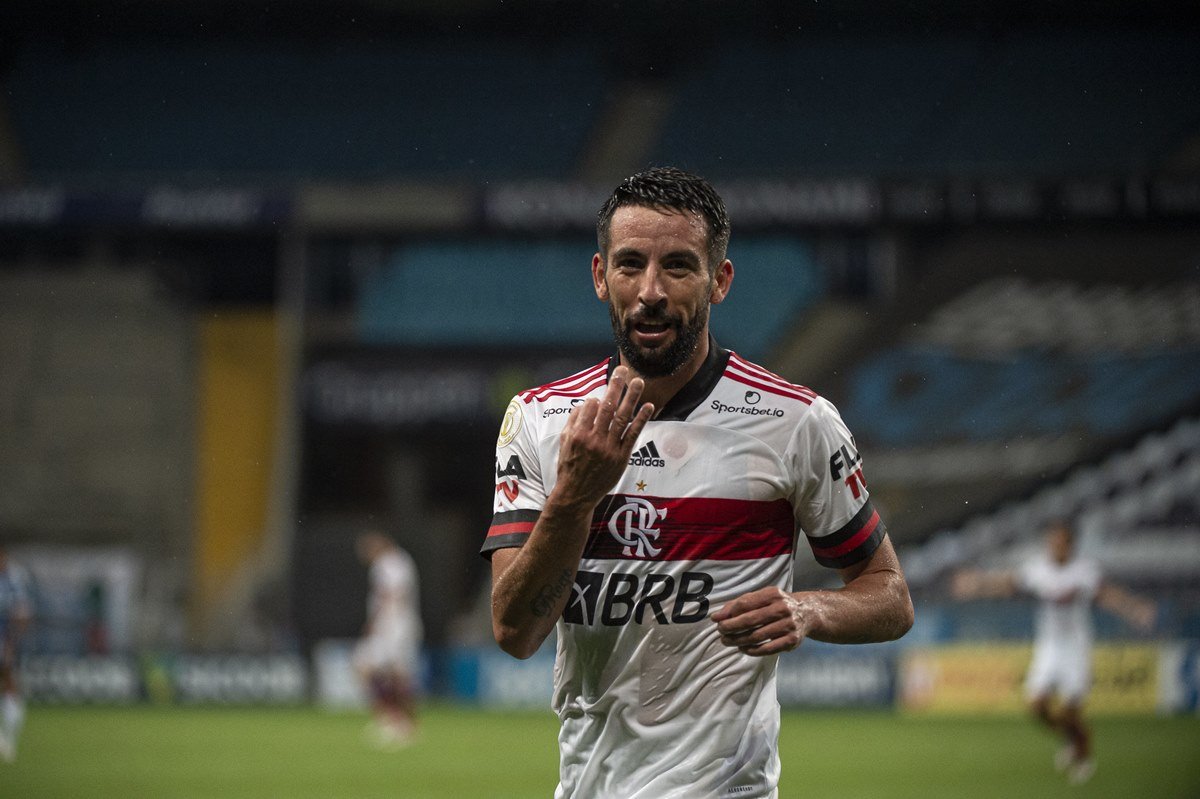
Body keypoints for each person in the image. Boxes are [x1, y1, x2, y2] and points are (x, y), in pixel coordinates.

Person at [482, 167, 914, 798]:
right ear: (601, 277)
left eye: (679, 266)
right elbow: (514, 632)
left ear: (720, 281)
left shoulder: (797, 423)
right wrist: (576, 497)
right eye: (630, 265)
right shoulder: (541, 421)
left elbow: (890, 597)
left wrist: (809, 609)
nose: (650, 291)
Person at [952, 519, 1157, 785]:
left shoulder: (1084, 571)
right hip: (1049, 646)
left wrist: (1134, 609)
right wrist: (976, 584)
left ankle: (1083, 753)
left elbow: (1107, 595)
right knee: (1036, 707)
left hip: (1075, 646)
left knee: (1071, 712)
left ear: (1070, 545)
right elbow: (1008, 582)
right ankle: (1073, 739)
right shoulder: (1039, 569)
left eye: (1059, 542)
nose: (1054, 547)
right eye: (1051, 542)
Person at [353, 530, 422, 750]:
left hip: (393, 625)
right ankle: (398, 721)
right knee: (387, 673)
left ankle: (398, 721)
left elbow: (391, 594)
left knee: (378, 670)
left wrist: (377, 622)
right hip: (397, 624)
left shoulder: (388, 563)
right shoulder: (402, 560)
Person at [0, 545, 33, 763]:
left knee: (9, 682)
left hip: (5, 638)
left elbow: (22, 614)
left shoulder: (14, 579)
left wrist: (12, 641)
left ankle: (8, 739)